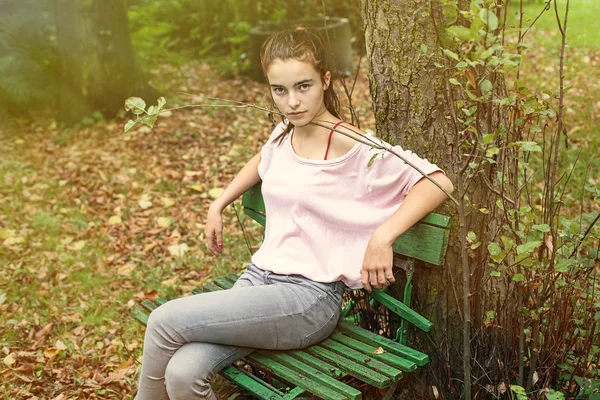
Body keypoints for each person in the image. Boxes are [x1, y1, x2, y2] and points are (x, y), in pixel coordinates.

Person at [135, 26, 454, 400]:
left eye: (304, 86)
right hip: (258, 284)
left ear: (326, 80)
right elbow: (262, 159)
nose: (292, 102)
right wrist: (219, 202)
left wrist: (383, 236)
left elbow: (437, 181)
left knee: (162, 321)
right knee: (182, 372)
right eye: (280, 90)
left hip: (306, 300)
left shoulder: (351, 145)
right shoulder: (285, 133)